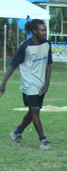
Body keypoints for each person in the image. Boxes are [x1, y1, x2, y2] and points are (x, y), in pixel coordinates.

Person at [0, 19, 53, 150]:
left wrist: (47, 83)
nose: (44, 33)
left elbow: (49, 65)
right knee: (35, 112)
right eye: (42, 30)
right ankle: (43, 139)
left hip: (41, 84)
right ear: (34, 31)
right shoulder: (25, 47)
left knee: (32, 111)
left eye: (45, 30)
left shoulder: (47, 44)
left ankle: (17, 132)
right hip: (29, 84)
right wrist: (3, 84)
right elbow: (13, 65)